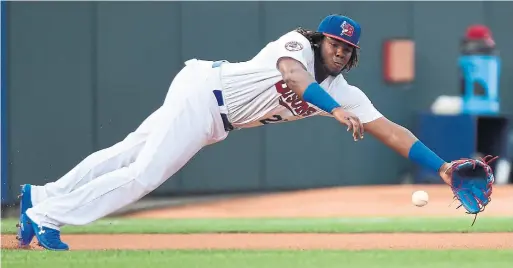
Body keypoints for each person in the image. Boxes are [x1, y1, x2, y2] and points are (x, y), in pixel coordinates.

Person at [17, 14, 455, 251]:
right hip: (205, 93)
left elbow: (392, 131)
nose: (339, 50)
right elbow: (296, 79)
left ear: (352, 55)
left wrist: (442, 167)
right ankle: (47, 217)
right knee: (144, 174)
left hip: (214, 114)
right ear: (321, 41)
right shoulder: (297, 45)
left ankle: (41, 196)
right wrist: (337, 111)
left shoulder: (344, 90)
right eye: (334, 43)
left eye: (347, 48)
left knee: (127, 153)